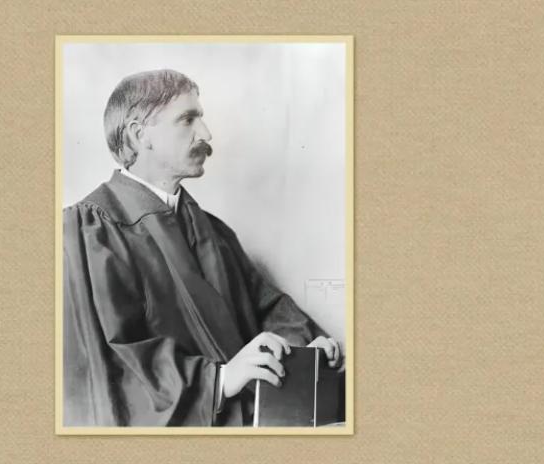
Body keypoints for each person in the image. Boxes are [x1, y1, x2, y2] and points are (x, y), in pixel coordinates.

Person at [63, 69, 341, 426]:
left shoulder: (213, 231)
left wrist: (306, 351)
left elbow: (266, 307)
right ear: (138, 134)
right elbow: (108, 368)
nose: (206, 134)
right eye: (188, 119)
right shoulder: (88, 233)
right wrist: (219, 381)